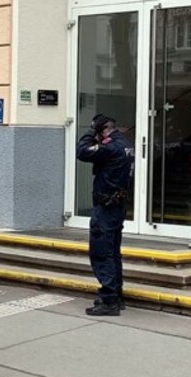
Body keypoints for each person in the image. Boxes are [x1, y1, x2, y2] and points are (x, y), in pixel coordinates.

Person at [76, 114, 134, 316]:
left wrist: (91, 132)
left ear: (102, 131)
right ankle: (116, 296)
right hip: (117, 205)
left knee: (101, 252)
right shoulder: (124, 143)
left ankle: (109, 299)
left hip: (106, 207)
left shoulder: (110, 148)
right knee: (113, 252)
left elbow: (82, 151)